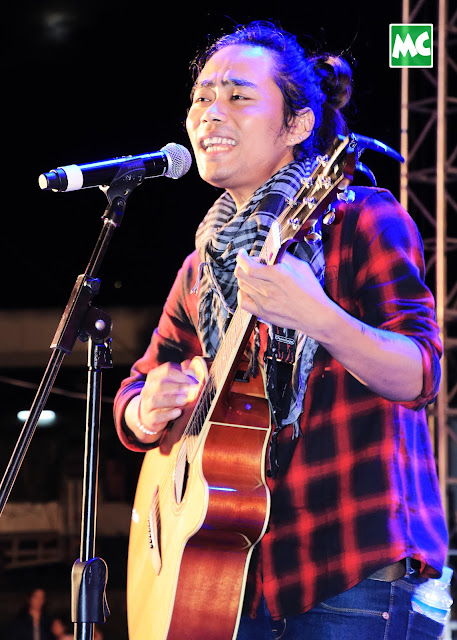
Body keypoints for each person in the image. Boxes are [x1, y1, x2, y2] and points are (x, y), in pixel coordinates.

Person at [113, 20, 449, 640]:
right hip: (227, 577)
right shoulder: (200, 269)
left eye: (238, 96)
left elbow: (421, 374)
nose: (212, 112)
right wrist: (146, 407)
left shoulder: (360, 221)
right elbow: (136, 390)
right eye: (201, 97)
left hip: (351, 565)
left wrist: (320, 317)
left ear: (297, 126)